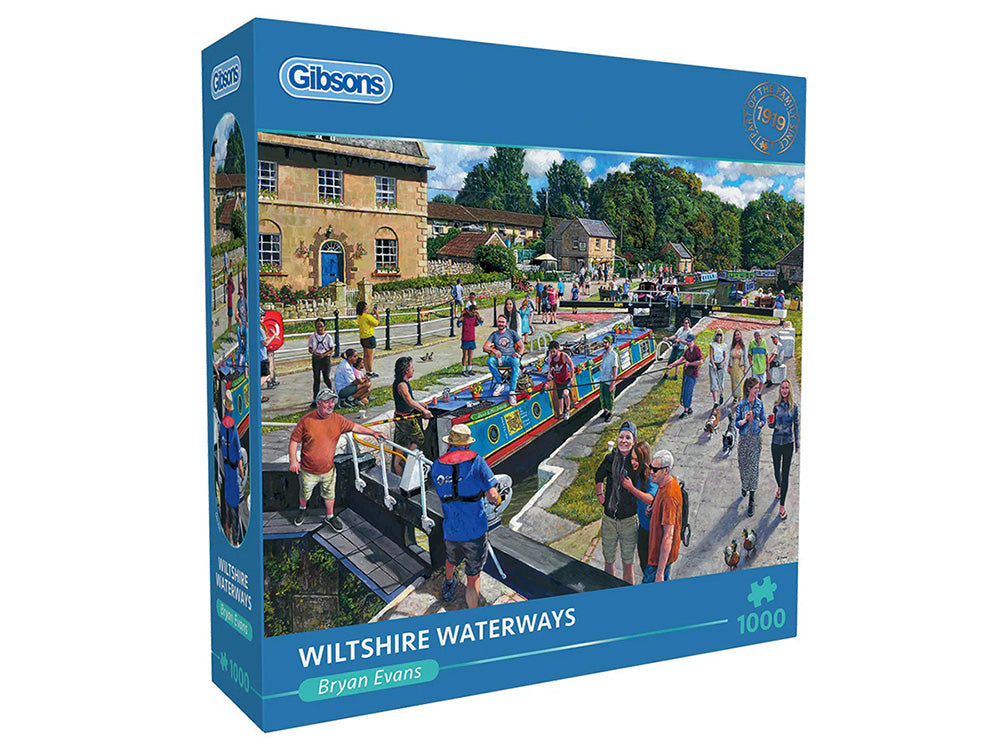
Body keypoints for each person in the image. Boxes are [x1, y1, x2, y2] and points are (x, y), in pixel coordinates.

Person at [430, 424, 502, 608]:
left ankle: (449, 584)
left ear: (449, 443)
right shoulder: (477, 461)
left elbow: (444, 492)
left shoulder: (436, 465)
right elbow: (492, 495)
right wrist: (497, 500)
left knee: (451, 559)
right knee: (473, 577)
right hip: (474, 530)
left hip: (451, 528)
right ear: (467, 444)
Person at [289, 388, 382, 531]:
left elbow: (355, 427)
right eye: (327, 402)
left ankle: (330, 516)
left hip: (328, 470)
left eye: (332, 401)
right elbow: (294, 440)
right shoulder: (306, 420)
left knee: (329, 494)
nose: (331, 405)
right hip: (308, 470)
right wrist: (293, 460)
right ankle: (302, 509)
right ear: (318, 403)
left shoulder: (337, 420)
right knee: (305, 493)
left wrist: (373, 432)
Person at [594, 422, 642, 584]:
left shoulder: (637, 462)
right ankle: (610, 589)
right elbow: (598, 476)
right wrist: (600, 496)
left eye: (628, 437)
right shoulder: (610, 458)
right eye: (621, 437)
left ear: (634, 441)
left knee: (628, 564)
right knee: (609, 560)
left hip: (629, 520)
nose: (624, 441)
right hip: (609, 520)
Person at [646, 448, 683, 582]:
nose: (651, 472)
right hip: (658, 557)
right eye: (651, 467)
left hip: (658, 561)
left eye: (655, 469)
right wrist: (652, 509)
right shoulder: (665, 483)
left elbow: (668, 536)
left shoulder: (669, 497)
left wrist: (659, 573)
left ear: (666, 471)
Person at [392, 356, 433, 474]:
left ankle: (400, 466)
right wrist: (424, 411)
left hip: (400, 417)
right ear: (406, 371)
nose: (413, 370)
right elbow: (409, 401)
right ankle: (407, 459)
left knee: (401, 444)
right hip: (406, 419)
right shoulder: (402, 385)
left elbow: (408, 401)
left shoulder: (402, 383)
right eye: (411, 367)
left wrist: (419, 404)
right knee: (420, 439)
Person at [734, 377, 766, 517]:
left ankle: (751, 497)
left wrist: (760, 423)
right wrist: (744, 420)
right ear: (749, 389)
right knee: (743, 465)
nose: (758, 390)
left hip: (755, 439)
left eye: (758, 388)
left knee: (753, 467)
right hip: (744, 439)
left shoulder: (759, 404)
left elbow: (763, 419)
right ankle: (744, 485)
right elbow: (736, 423)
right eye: (755, 388)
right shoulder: (742, 404)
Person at [770, 378, 800, 521]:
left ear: (790, 390)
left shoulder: (794, 407)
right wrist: (770, 423)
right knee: (777, 470)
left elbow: (796, 426)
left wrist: (797, 443)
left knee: (785, 474)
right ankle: (780, 487)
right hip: (776, 442)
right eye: (782, 388)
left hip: (788, 443)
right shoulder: (776, 406)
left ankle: (782, 506)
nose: (784, 390)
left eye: (786, 388)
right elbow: (772, 425)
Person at [219, 390, 244, 545]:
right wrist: (242, 470)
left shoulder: (222, 425)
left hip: (226, 467)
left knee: (227, 500)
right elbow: (238, 449)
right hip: (233, 469)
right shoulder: (233, 427)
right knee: (235, 506)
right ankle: (236, 538)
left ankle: (227, 530)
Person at [630, 441, 657, 583]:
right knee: (644, 562)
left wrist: (631, 489)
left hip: (653, 530)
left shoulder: (651, 475)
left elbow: (650, 498)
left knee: (650, 567)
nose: (633, 462)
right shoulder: (638, 473)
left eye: (636, 459)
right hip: (643, 526)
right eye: (632, 458)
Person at [484, 315, 524, 407]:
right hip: (500, 359)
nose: (501, 324)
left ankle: (512, 391)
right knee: (490, 361)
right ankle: (500, 383)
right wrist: (494, 350)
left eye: (502, 322)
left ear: (506, 323)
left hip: (510, 357)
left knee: (516, 361)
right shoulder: (494, 334)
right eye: (499, 322)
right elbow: (485, 347)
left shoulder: (511, 332)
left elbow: (521, 346)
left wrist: (519, 354)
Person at [667, 332, 702, 417]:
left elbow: (700, 361)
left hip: (693, 375)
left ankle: (686, 410)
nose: (688, 343)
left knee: (688, 392)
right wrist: (672, 365)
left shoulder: (697, 350)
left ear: (693, 341)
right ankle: (688, 408)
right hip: (686, 373)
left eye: (690, 341)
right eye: (687, 341)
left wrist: (689, 364)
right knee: (684, 391)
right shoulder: (687, 351)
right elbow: (680, 359)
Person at [307, 318, 335, 404]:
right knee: (316, 378)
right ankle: (315, 398)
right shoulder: (313, 336)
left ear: (325, 327)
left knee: (326, 377)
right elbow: (310, 348)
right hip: (316, 358)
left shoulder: (328, 337)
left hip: (325, 358)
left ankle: (331, 393)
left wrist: (324, 354)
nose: (320, 328)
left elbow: (332, 348)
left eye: (321, 326)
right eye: (318, 326)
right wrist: (315, 353)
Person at [546, 340, 575, 421]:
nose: (552, 353)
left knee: (565, 393)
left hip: (566, 380)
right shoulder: (550, 358)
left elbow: (571, 366)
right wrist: (549, 374)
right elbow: (550, 367)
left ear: (558, 349)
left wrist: (572, 377)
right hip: (558, 381)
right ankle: (561, 413)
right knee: (560, 398)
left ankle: (568, 410)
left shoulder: (564, 356)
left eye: (554, 351)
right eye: (551, 352)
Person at [356, 301, 380, 378]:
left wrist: (371, 315)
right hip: (369, 337)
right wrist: (377, 314)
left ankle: (367, 370)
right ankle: (370, 371)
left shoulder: (360, 316)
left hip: (363, 338)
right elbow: (377, 323)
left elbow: (367, 320)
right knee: (370, 357)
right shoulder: (368, 317)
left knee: (366, 356)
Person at [598, 334, 619, 422]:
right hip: (602, 379)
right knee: (603, 397)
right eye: (603, 343)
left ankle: (610, 413)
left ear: (610, 343)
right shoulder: (604, 354)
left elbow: (615, 369)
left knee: (609, 398)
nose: (604, 344)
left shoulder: (613, 355)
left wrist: (612, 384)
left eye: (606, 343)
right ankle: (605, 411)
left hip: (609, 380)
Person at [459, 303, 483, 377]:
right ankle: (464, 369)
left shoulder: (474, 318)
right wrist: (462, 314)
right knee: (465, 355)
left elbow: (480, 322)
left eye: (475, 311)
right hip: (465, 338)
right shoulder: (465, 317)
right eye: (473, 311)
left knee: (470, 355)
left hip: (472, 338)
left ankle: (470, 369)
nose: (474, 313)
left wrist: (478, 316)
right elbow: (459, 323)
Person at [708, 329, 728, 407]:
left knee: (721, 382)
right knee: (714, 382)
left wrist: (722, 363)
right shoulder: (712, 344)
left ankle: (721, 395)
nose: (719, 336)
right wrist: (713, 364)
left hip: (721, 364)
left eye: (720, 335)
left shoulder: (724, 345)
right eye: (717, 335)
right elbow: (711, 355)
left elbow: (725, 356)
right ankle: (715, 401)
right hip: (713, 364)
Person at [729, 329, 749, 401]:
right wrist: (729, 366)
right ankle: (735, 397)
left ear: (740, 336)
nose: (737, 336)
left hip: (740, 367)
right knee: (734, 383)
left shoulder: (743, 346)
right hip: (733, 367)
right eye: (736, 335)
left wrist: (745, 368)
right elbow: (730, 357)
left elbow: (745, 357)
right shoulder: (732, 346)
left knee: (740, 383)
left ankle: (740, 399)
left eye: (738, 335)